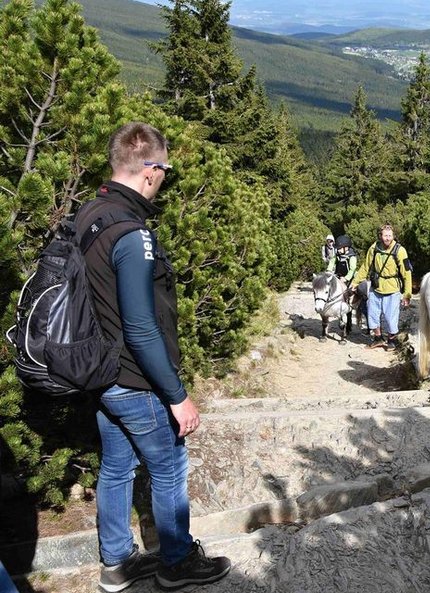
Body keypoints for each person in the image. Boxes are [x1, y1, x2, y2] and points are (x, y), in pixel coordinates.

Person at [74, 123, 230, 592]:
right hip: (134, 378)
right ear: (150, 170)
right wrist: (177, 396)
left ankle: (118, 562)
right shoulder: (132, 234)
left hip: (99, 372)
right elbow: (141, 328)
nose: (164, 179)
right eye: (164, 170)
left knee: (117, 467)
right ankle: (177, 562)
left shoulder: (89, 215)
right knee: (168, 467)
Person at [352, 224, 412, 350]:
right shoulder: (374, 248)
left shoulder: (400, 251)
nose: (388, 238)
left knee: (391, 318)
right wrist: (355, 282)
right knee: (372, 315)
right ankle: (378, 338)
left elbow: (407, 273)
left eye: (390, 236)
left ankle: (391, 340)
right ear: (380, 236)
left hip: (393, 289)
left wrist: (407, 294)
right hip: (376, 287)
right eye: (385, 235)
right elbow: (365, 266)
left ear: (393, 236)